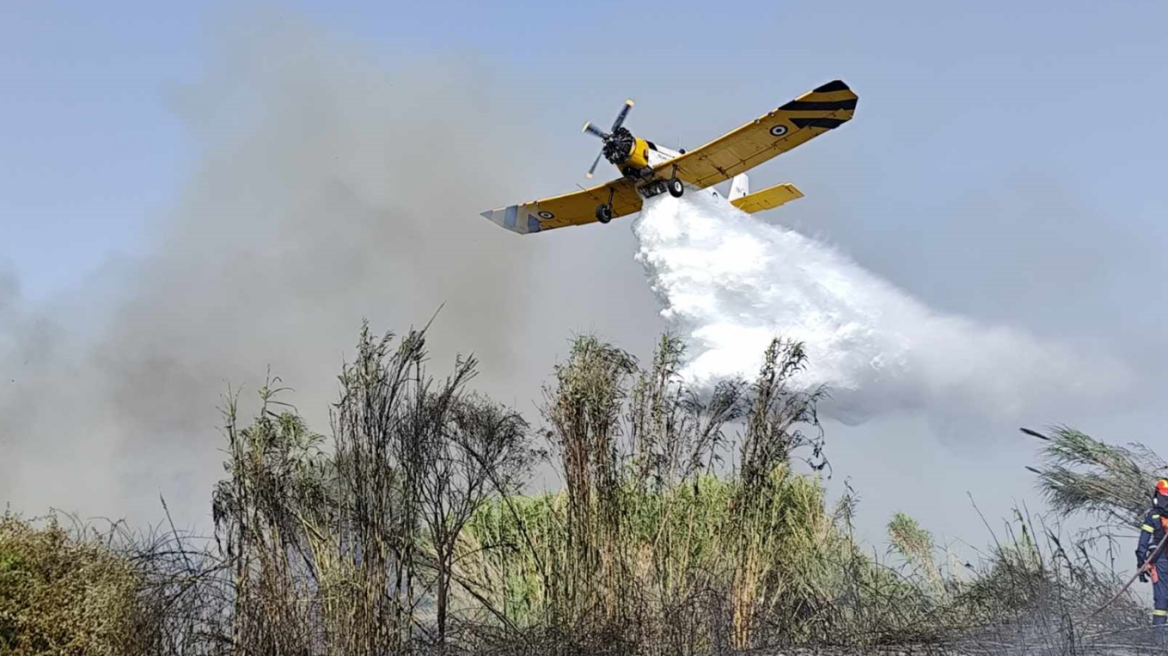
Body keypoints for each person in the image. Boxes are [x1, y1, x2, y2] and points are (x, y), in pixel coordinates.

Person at [1136, 478, 1168, 625]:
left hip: (1159, 559)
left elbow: (1143, 542)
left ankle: (1158, 641)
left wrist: (1141, 563)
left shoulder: (1152, 516)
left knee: (1161, 601)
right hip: (1159, 558)